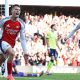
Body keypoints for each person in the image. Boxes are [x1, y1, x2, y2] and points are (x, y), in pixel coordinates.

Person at [0, 4, 28, 80]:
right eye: (16, 9)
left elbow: (22, 39)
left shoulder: (21, 24)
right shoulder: (4, 21)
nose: (17, 11)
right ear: (11, 11)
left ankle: (7, 72)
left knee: (1, 60)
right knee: (12, 53)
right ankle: (9, 75)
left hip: (11, 44)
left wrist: (25, 52)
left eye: (19, 10)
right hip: (3, 42)